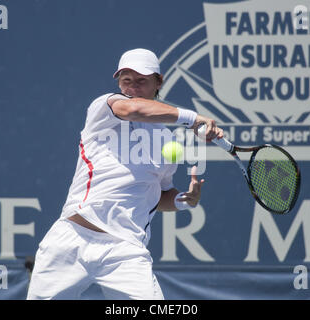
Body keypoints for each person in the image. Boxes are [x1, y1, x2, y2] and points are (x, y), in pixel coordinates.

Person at [27, 48, 224, 300]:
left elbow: (159, 194)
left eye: (141, 81)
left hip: (125, 250)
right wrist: (193, 118)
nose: (132, 88)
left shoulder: (166, 140)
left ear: (158, 82)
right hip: (72, 239)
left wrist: (183, 200)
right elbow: (134, 110)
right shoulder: (105, 106)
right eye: (126, 81)